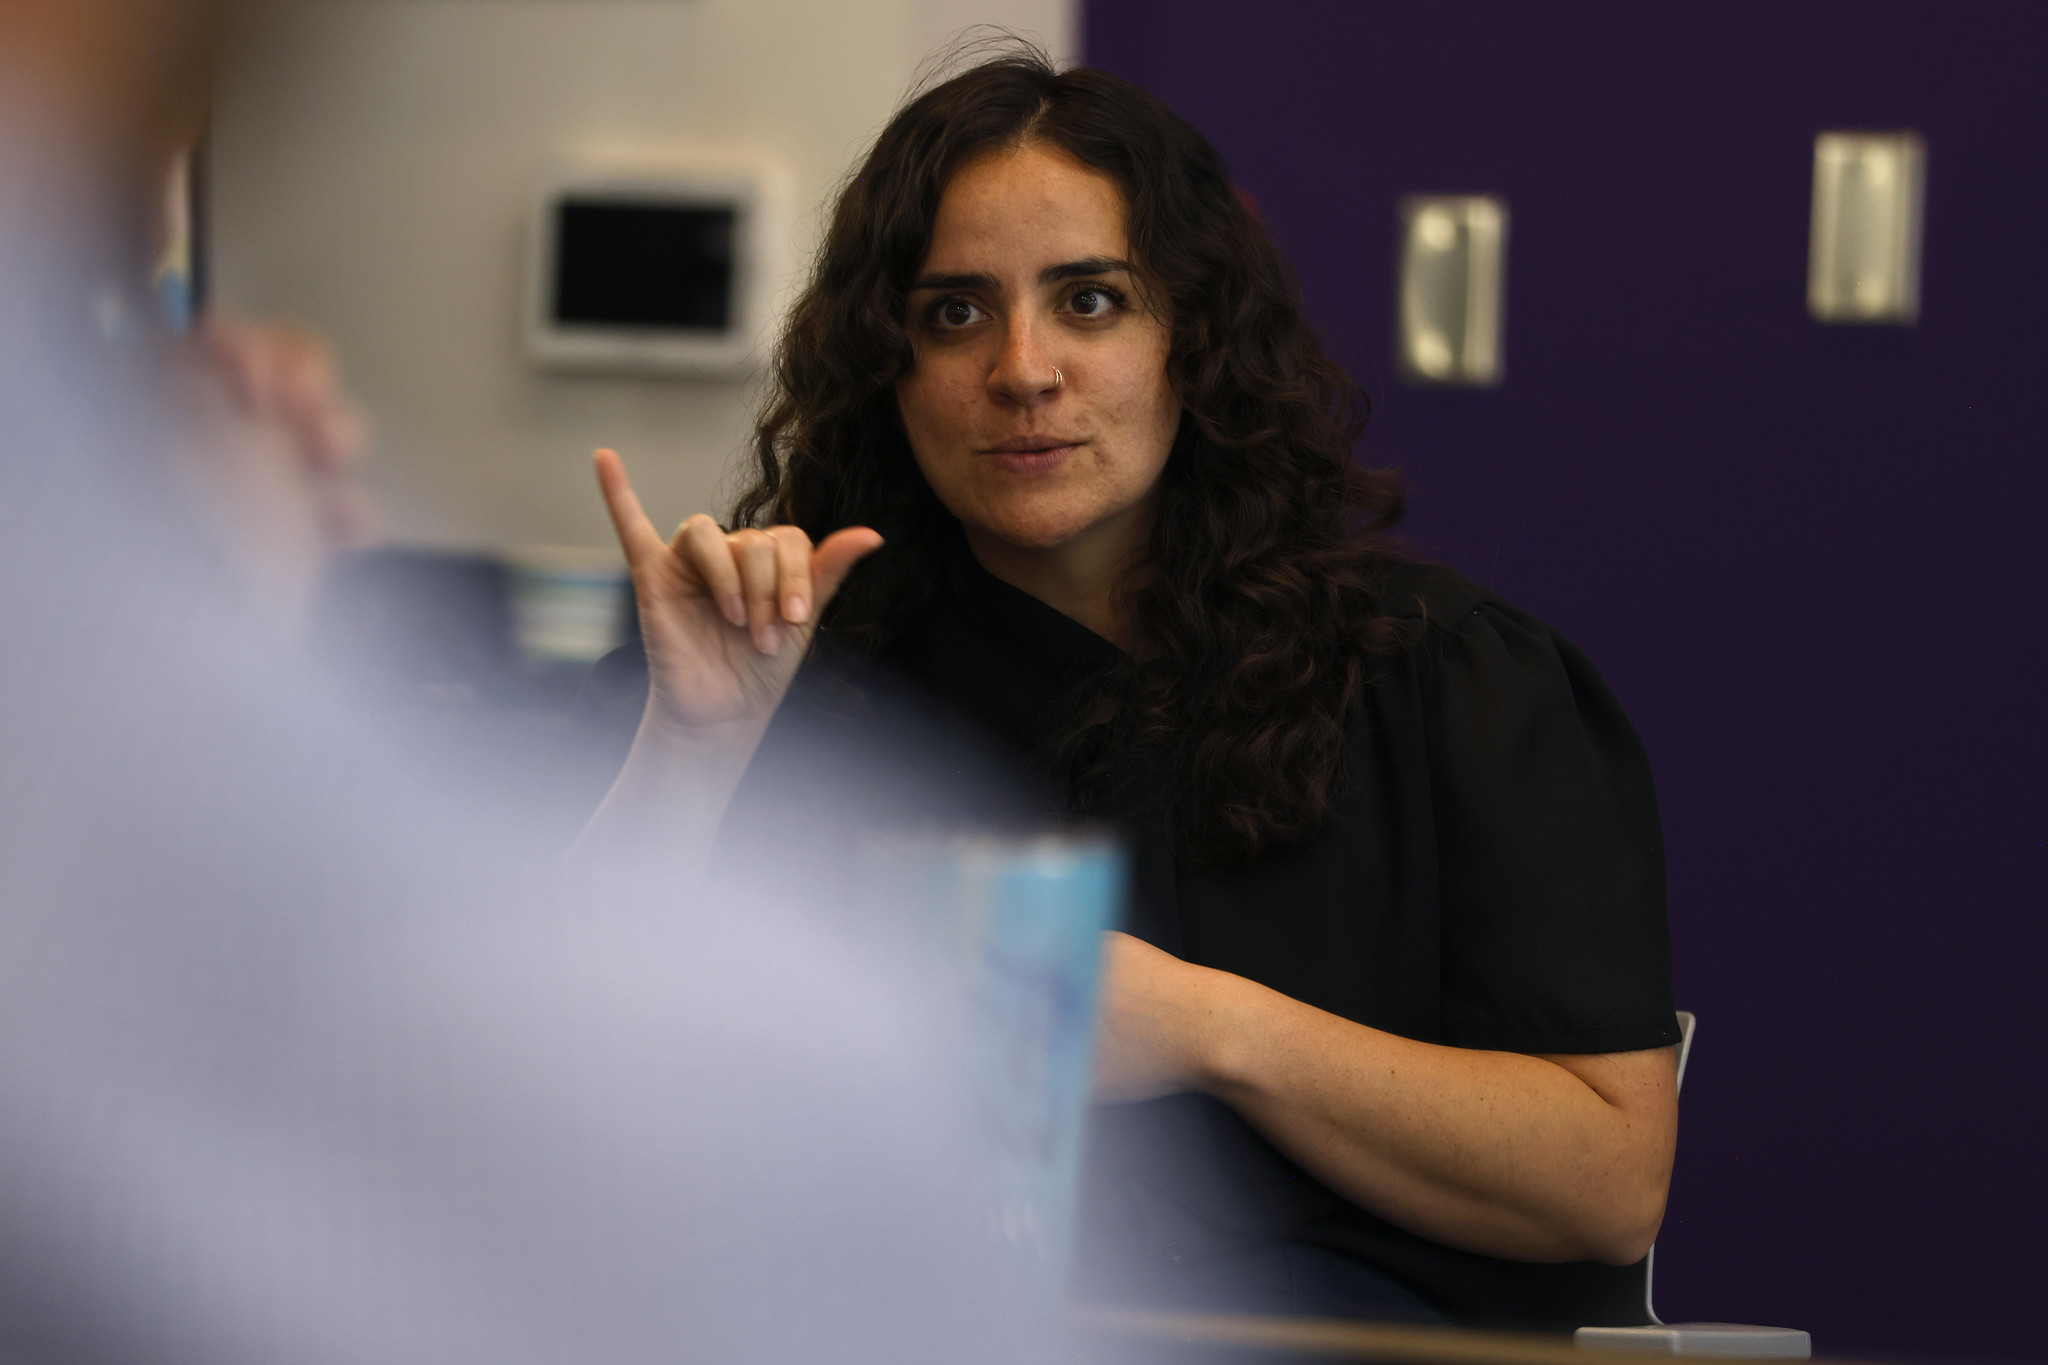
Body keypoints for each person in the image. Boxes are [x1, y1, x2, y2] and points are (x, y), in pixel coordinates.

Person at [583, 50, 1681, 1329]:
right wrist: (691, 752)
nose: (1022, 370)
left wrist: (1208, 1027)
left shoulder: (1445, 680)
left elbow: (1606, 1182)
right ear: (885, 370)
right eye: (952, 313)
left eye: (1090, 302)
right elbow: (520, 1086)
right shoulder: (781, 681)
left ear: (1191, 338)